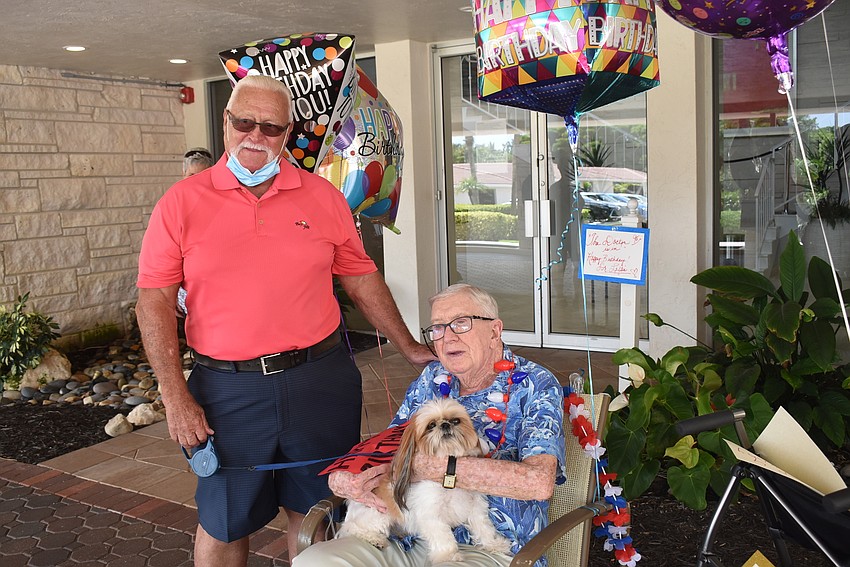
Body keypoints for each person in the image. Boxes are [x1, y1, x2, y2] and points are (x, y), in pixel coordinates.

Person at [135, 74, 435, 567]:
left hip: (319, 380)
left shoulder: (322, 197)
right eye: (244, 122)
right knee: (223, 519)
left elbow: (360, 277)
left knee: (316, 509)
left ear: (288, 132)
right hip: (226, 389)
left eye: (270, 127)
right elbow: (154, 302)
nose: (255, 136)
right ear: (225, 122)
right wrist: (173, 396)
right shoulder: (181, 203)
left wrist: (407, 346)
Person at [294, 283, 566, 567]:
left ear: (494, 331)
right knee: (314, 562)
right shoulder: (431, 378)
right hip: (403, 534)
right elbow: (387, 447)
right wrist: (347, 478)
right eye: (437, 328)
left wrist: (442, 468)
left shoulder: (535, 384)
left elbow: (539, 482)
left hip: (490, 546)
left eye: (461, 324)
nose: (447, 338)